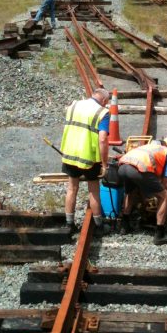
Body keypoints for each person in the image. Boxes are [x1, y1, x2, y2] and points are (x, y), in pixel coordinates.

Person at [59, 87, 111, 235]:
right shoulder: (102, 113)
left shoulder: (74, 105)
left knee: (71, 188)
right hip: (88, 157)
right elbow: (103, 139)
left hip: (70, 153)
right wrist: (105, 164)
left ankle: (69, 224)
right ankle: (99, 226)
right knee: (93, 190)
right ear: (104, 100)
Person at [117, 142, 167, 245]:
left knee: (130, 192)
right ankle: (160, 234)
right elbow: (166, 184)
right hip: (139, 168)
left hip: (122, 167)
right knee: (165, 195)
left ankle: (124, 226)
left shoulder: (153, 148)